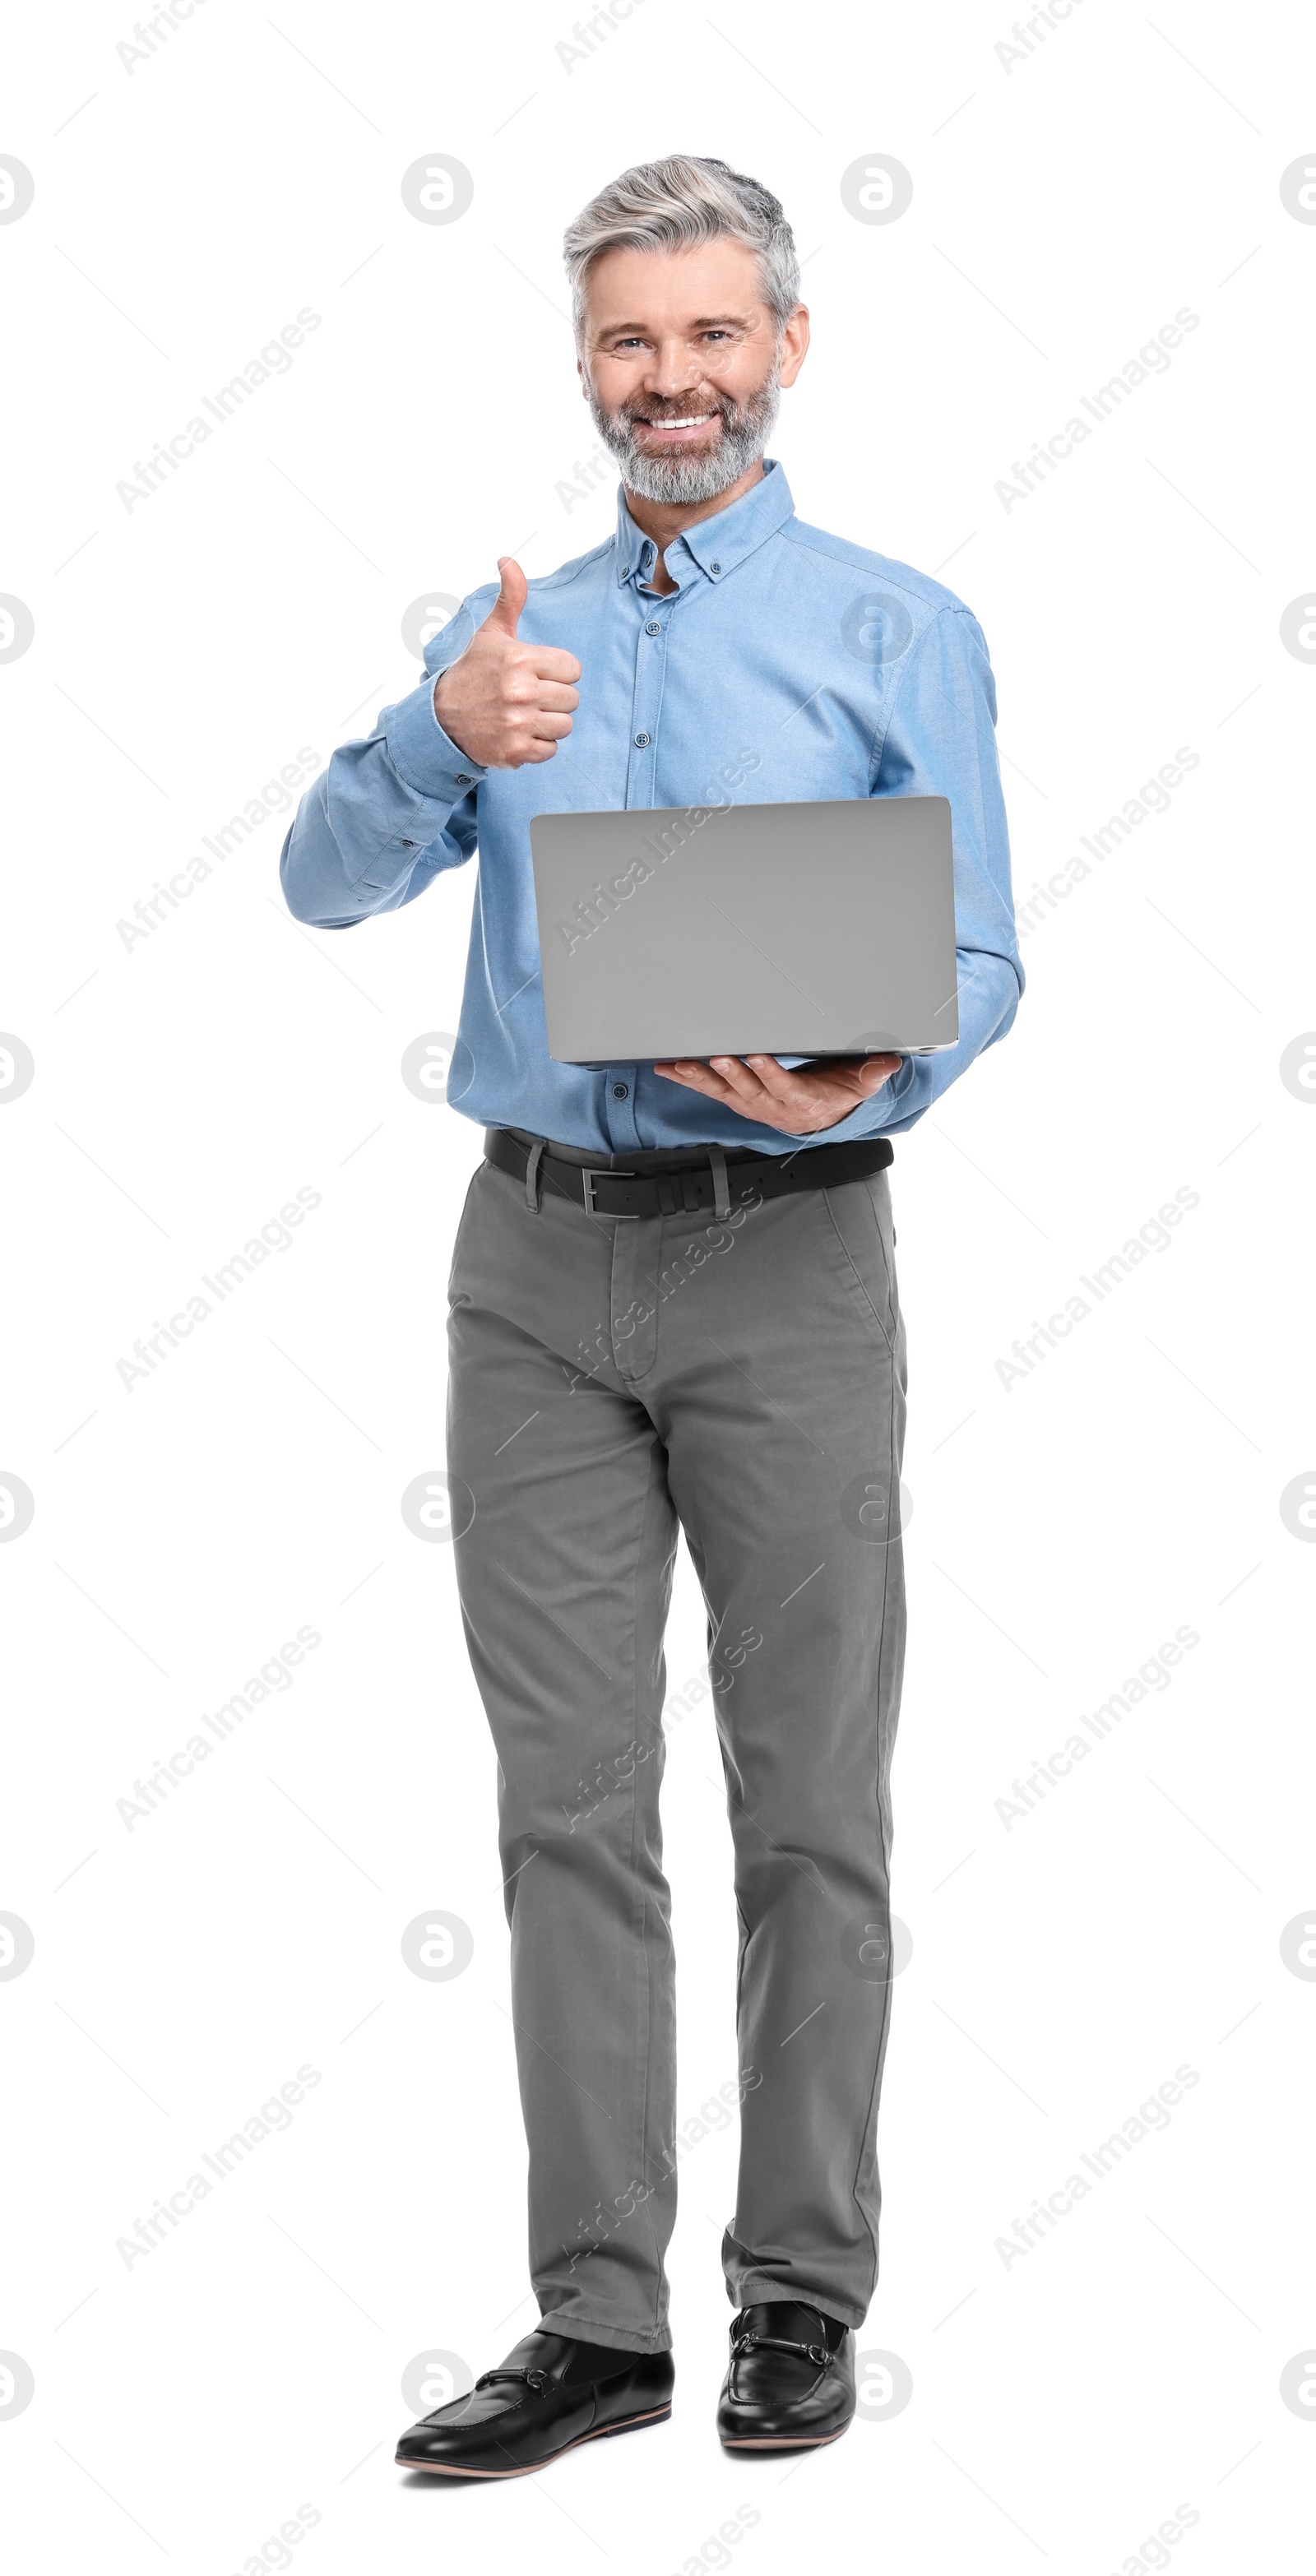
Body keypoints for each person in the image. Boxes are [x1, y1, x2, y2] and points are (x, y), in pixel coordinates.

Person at [281, 153, 1022, 2477]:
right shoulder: (512, 642)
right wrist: (435, 728)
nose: (672, 380)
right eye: (629, 339)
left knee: (812, 1807)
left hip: (794, 1251)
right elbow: (318, 879)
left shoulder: (902, 628)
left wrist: (859, 1064)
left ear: (787, 347)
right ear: (583, 360)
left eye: (713, 335)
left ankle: (798, 2290)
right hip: (533, 1272)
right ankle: (596, 2320)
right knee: (567, 1810)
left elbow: (983, 951)